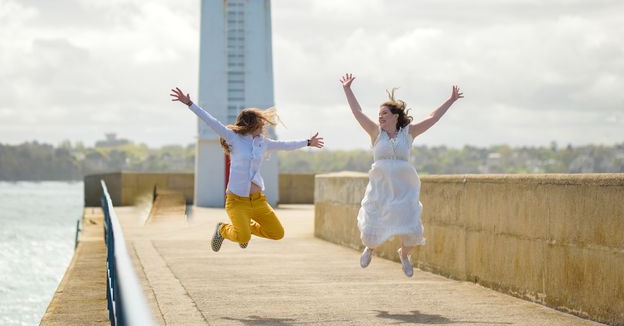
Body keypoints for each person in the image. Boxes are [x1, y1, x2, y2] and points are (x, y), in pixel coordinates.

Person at [340, 73, 463, 277]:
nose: (380, 117)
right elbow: (357, 111)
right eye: (379, 114)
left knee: (412, 232)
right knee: (371, 230)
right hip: (381, 188)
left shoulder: (409, 133)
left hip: (404, 190)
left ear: (396, 116)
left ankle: (404, 255)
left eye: (385, 113)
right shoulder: (375, 133)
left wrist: (450, 100)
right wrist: (347, 89)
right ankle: (369, 249)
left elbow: (433, 117)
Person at [171, 87, 324, 251]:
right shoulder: (233, 137)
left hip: (259, 201)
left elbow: (286, 145)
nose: (263, 125)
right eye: (260, 123)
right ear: (251, 124)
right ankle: (222, 229)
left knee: (277, 233)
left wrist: (308, 142)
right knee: (243, 237)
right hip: (237, 201)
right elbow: (211, 121)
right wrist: (189, 104)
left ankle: (244, 227)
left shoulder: (262, 142)